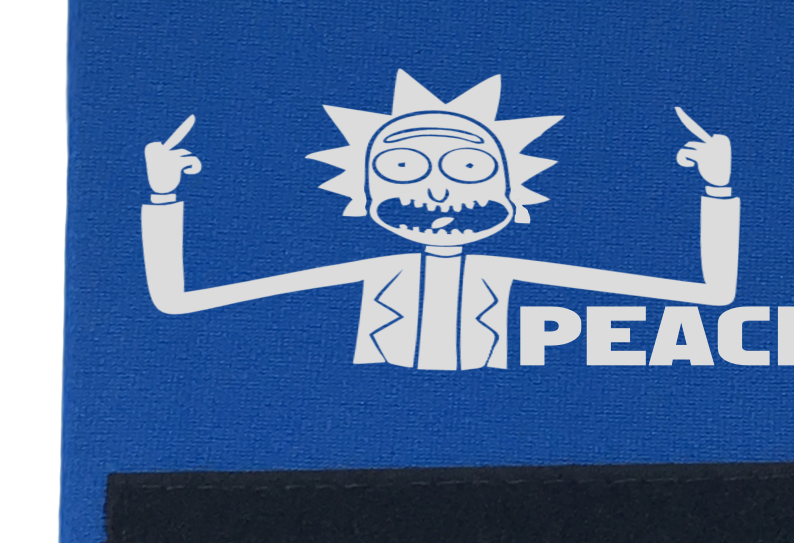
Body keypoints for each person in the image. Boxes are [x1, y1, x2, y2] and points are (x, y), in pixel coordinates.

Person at [142, 70, 740, 370]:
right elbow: (175, 301)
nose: (436, 188)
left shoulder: (507, 273)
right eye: (403, 166)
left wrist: (717, 187)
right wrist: (164, 196)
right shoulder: (375, 271)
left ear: (513, 192)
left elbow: (712, 293)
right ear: (365, 193)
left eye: (467, 167)